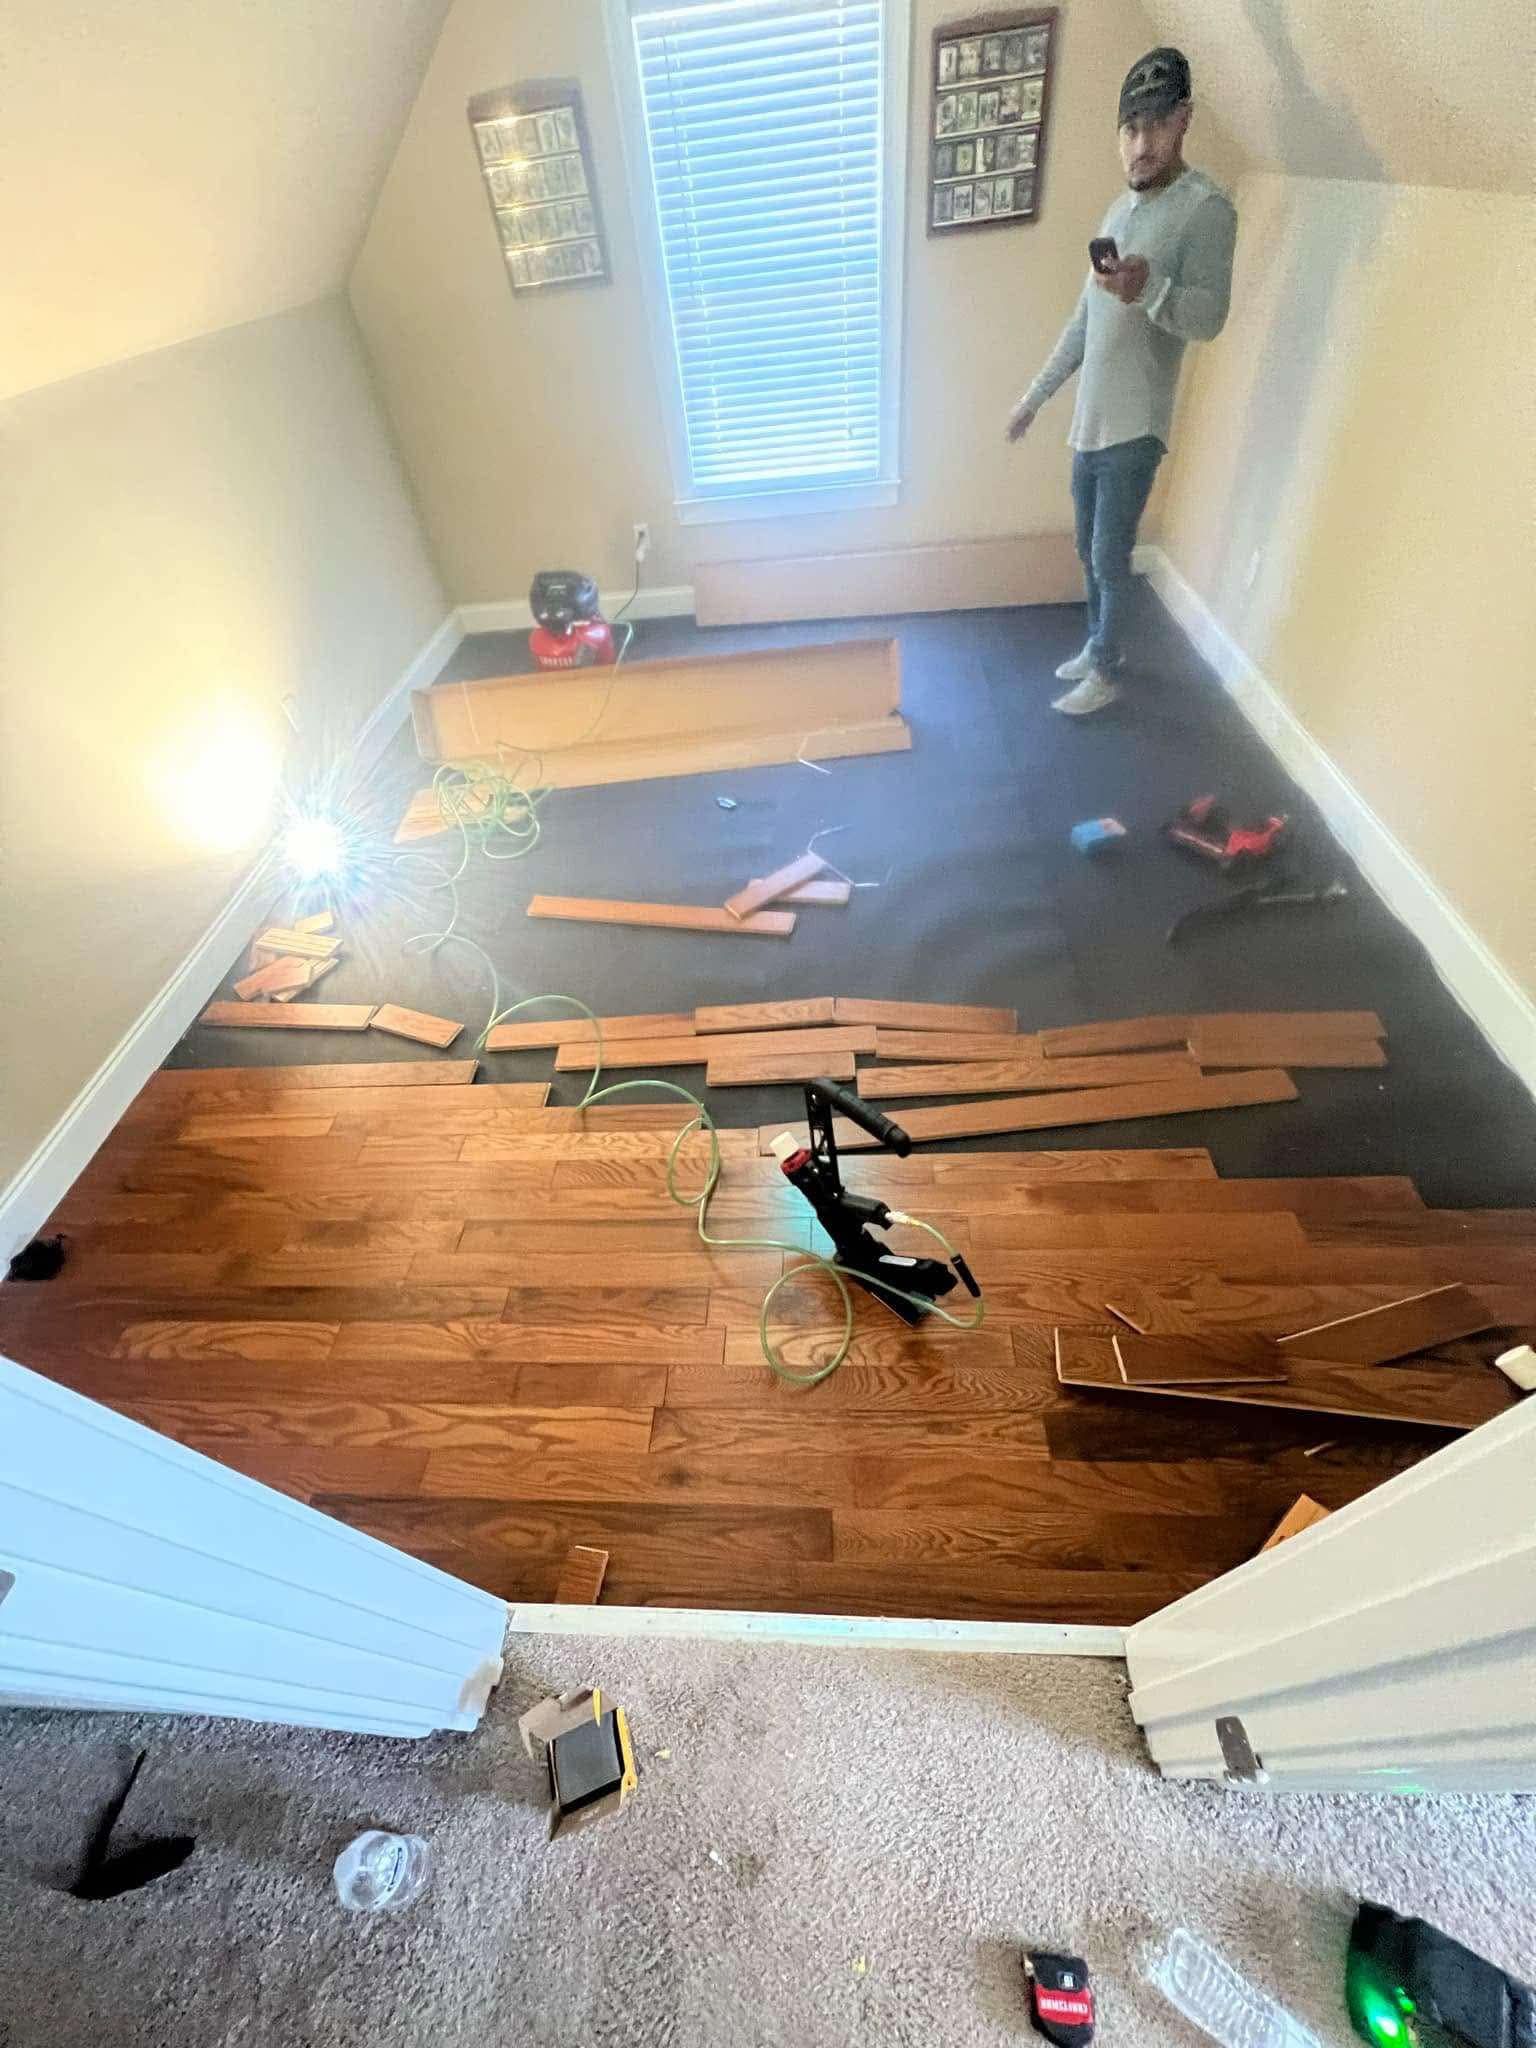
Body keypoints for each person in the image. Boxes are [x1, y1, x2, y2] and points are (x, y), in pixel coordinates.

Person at [1008, 48, 1237, 715]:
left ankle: (1107, 669)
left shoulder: (1206, 210)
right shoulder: (1117, 211)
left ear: (1183, 122)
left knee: (1111, 557)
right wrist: (1033, 400)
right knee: (1088, 550)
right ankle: (1098, 641)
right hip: (1090, 422)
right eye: (1131, 129)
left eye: (1155, 126)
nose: (1141, 144)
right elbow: (1084, 323)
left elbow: (1210, 318)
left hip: (1136, 428)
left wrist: (1152, 288)